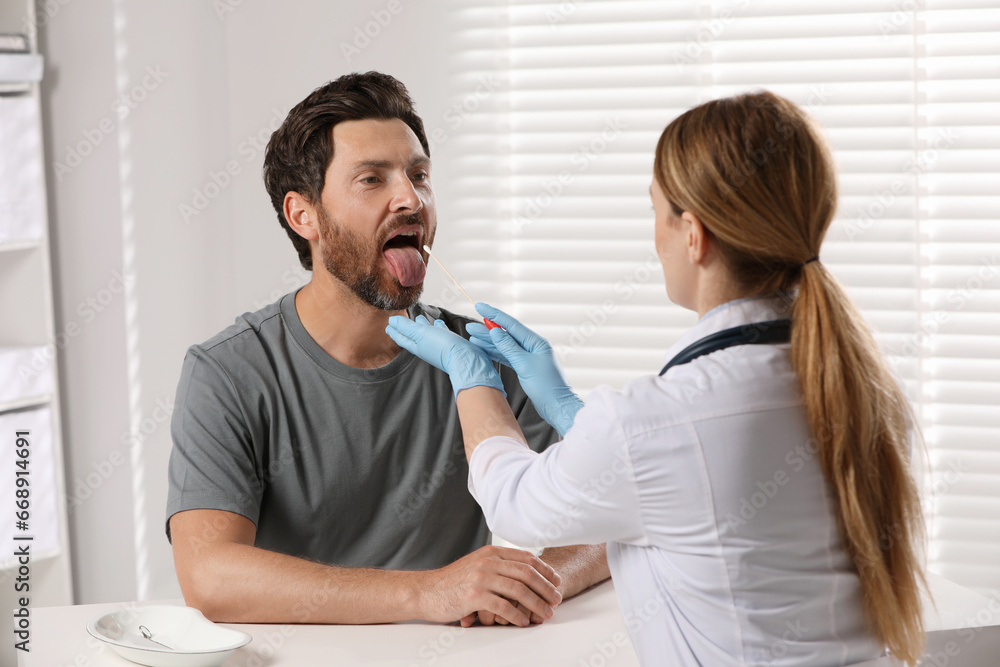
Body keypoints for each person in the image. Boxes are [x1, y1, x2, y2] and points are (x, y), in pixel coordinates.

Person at [387, 91, 927, 665]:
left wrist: (472, 376)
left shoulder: (663, 419)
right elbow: (685, 473)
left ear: (693, 234)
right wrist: (571, 411)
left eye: (656, 211)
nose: (656, 238)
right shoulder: (862, 385)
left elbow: (516, 503)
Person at [165, 71, 609, 628]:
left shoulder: (476, 359)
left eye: (419, 175)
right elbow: (209, 576)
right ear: (303, 215)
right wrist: (428, 594)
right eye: (372, 179)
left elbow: (610, 514)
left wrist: (534, 587)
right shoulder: (228, 373)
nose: (410, 199)